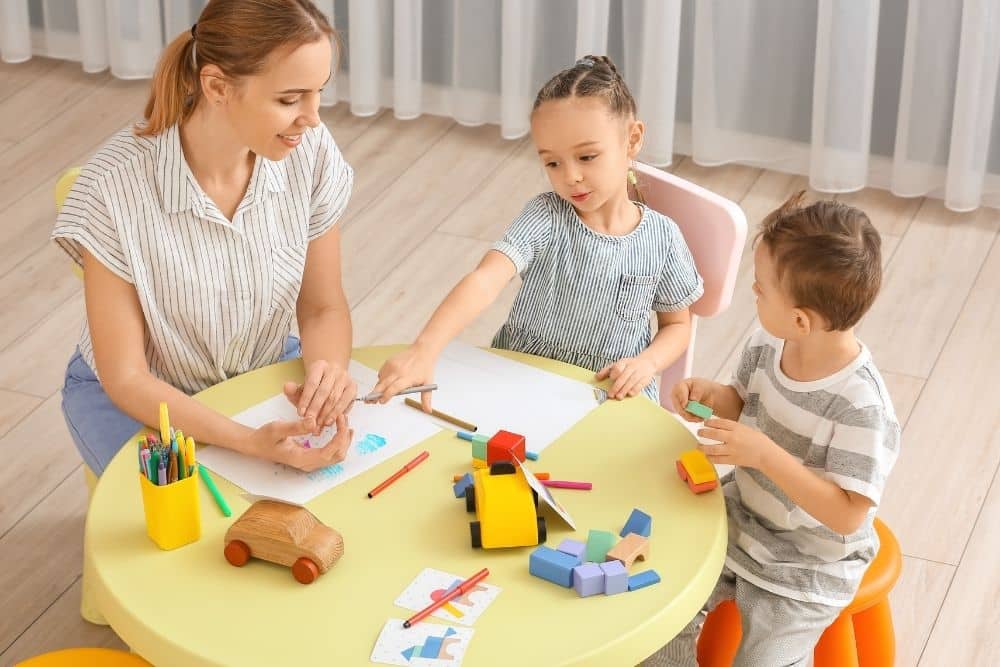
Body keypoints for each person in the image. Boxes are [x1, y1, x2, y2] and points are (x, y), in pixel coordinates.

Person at [53, 0, 357, 475]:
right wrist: (247, 443)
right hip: (137, 398)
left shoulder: (311, 153)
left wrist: (328, 372)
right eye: (289, 99)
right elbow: (127, 378)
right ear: (216, 86)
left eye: (318, 93)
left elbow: (322, 307)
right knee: (196, 525)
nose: (313, 118)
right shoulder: (114, 186)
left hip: (257, 368)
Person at [652, 194, 901, 666]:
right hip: (739, 519)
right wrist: (711, 399)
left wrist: (765, 455)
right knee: (658, 608)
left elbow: (848, 516)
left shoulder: (861, 407)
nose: (754, 292)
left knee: (764, 660)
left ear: (801, 319)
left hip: (807, 564)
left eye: (761, 289)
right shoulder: (770, 344)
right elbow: (744, 404)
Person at [372, 55, 703, 406]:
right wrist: (425, 349)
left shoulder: (663, 238)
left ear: (632, 139)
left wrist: (647, 363)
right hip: (519, 380)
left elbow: (676, 325)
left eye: (587, 157)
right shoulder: (546, 215)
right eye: (552, 162)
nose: (570, 176)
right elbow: (486, 279)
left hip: (608, 396)